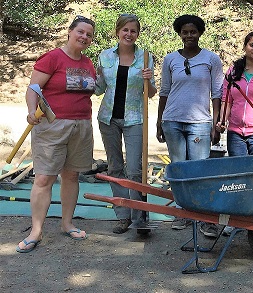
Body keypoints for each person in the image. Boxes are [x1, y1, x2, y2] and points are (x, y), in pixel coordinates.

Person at [16, 16, 96, 253]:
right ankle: (36, 231)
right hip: (52, 126)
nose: (84, 37)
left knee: (71, 176)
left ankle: (67, 223)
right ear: (70, 32)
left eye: (89, 35)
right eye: (80, 32)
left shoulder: (88, 63)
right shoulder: (52, 58)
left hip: (81, 126)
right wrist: (31, 110)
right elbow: (33, 89)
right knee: (44, 178)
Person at [157, 14, 223, 238]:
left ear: (200, 33)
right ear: (179, 34)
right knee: (179, 168)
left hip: (200, 123)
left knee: (200, 170)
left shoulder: (211, 59)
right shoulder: (170, 60)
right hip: (173, 120)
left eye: (193, 31)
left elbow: (217, 94)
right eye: (185, 32)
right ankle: (182, 212)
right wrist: (159, 121)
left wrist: (216, 123)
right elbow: (165, 91)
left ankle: (205, 217)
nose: (189, 36)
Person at [95, 14, 157, 235]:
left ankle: (140, 218)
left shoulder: (145, 57)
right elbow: (99, 89)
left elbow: (150, 94)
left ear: (137, 34)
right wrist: (87, 79)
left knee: (135, 169)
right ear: (117, 32)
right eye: (125, 30)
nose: (129, 34)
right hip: (108, 118)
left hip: (135, 119)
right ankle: (122, 216)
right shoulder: (105, 56)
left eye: (133, 31)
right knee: (115, 168)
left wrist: (149, 80)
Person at [215, 31, 253, 236]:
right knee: (238, 177)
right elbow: (226, 98)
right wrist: (222, 120)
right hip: (235, 131)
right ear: (245, 46)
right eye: (252, 44)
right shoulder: (234, 70)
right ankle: (236, 219)